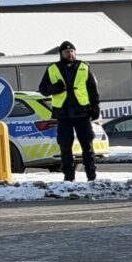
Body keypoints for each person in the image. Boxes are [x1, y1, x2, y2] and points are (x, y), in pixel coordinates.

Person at [38, 40, 101, 181]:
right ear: (61, 54)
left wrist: (95, 107)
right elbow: (43, 89)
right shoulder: (52, 68)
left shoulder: (84, 67)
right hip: (63, 114)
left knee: (87, 145)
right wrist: (55, 88)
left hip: (82, 112)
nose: (70, 54)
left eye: (72, 51)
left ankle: (91, 174)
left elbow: (93, 90)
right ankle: (68, 176)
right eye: (67, 52)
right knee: (65, 146)